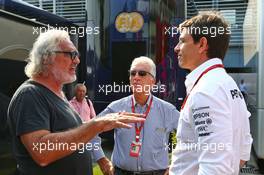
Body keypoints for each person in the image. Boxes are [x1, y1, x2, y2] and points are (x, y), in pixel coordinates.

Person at [7, 30, 145, 175]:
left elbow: (70, 131)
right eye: (71, 54)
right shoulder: (30, 94)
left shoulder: (58, 94)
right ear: (46, 57)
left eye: (77, 55)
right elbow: (42, 151)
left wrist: (99, 126)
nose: (77, 60)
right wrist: (96, 125)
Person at [169, 11, 253, 175]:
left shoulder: (206, 91)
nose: (176, 48)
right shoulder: (227, 84)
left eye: (182, 41)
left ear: (202, 44)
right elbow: (242, 155)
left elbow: (216, 170)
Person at [97, 56, 180, 175]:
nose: (136, 77)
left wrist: (175, 165)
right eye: (132, 73)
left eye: (142, 73)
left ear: (153, 81)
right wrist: (102, 160)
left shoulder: (167, 110)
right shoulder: (116, 108)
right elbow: (90, 132)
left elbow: (190, 135)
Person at [70, 83, 113, 174]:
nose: (81, 93)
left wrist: (93, 126)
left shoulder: (89, 103)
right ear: (75, 92)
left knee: (87, 161)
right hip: (77, 136)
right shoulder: (69, 104)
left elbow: (94, 118)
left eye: (83, 91)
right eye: (79, 91)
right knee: (79, 162)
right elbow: (70, 122)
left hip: (89, 134)